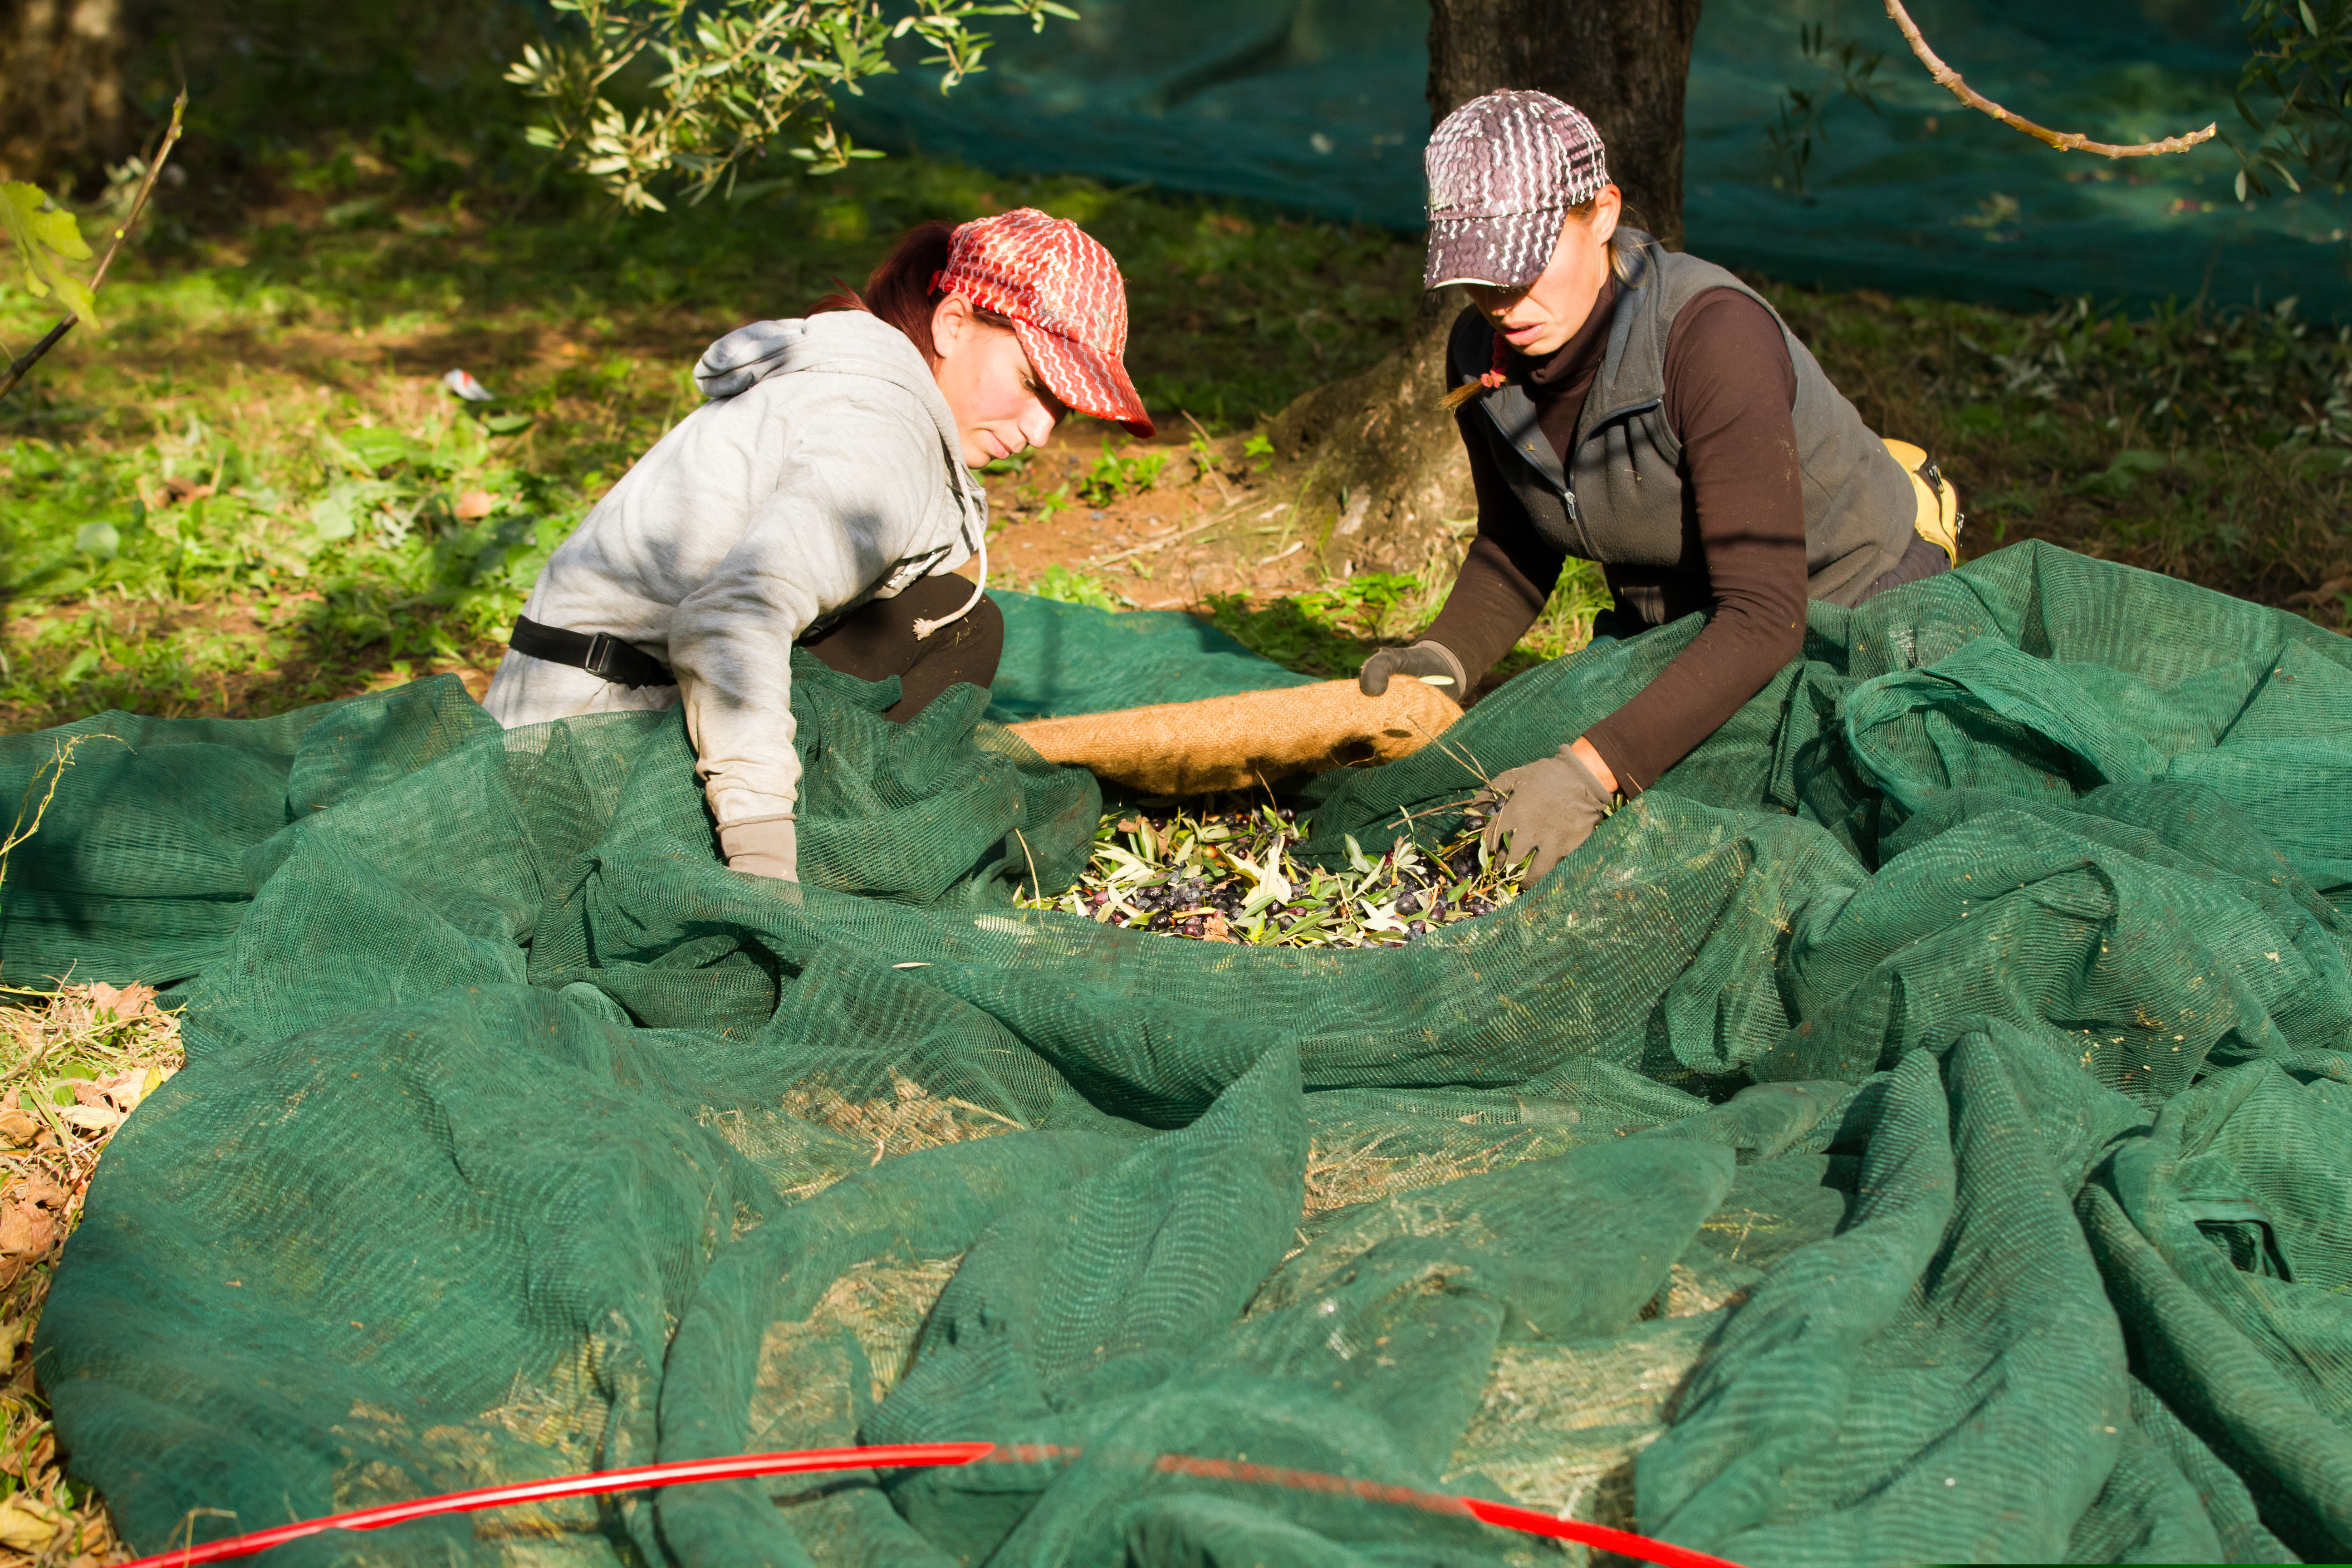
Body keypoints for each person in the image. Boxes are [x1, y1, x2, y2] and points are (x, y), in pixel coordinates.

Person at [1360, 90, 1960, 880]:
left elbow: (1768, 615)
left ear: (1602, 214)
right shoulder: (1483, 357)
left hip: (1846, 614)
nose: (1503, 304)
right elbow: (1515, 545)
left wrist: (1590, 774)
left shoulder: (1711, 339)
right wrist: (1442, 662)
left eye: (1524, 263)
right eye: (1478, 277)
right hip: (1687, 629)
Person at [481, 209, 1153, 884]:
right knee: (963, 627)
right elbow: (729, 620)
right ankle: (846, 869)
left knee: (948, 609)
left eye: (1063, 410)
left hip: (559, 710)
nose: (1041, 432)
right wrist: (764, 858)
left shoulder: (855, 382)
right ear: (953, 323)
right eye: (1035, 385)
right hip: (577, 757)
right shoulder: (881, 437)